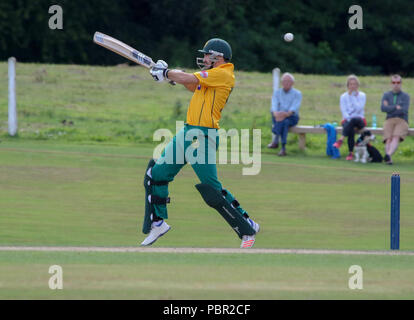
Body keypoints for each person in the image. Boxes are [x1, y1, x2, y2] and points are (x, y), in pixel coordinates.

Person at [141, 38, 260, 248]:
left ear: (218, 57)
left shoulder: (223, 73)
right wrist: (167, 74)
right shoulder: (210, 77)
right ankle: (157, 223)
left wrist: (168, 74)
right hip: (187, 132)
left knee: (211, 189)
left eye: (207, 54)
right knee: (156, 175)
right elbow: (189, 82)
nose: (204, 58)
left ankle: (247, 227)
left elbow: (188, 77)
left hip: (203, 137)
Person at [333, 75, 366, 160]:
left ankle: (341, 140)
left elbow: (359, 109)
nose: (352, 86)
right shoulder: (343, 96)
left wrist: (353, 96)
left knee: (354, 119)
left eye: (354, 84)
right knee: (350, 128)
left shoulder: (362, 95)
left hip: (360, 120)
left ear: (357, 85)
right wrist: (349, 120)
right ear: (348, 85)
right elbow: (344, 111)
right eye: (351, 84)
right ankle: (350, 153)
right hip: (347, 120)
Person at [267, 73, 302, 156]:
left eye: (288, 81)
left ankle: (276, 139)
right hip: (278, 117)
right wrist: (276, 114)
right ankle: (283, 148)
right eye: (284, 81)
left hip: (292, 117)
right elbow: (274, 105)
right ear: (282, 82)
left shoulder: (297, 93)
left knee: (285, 121)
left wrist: (284, 114)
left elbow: (294, 108)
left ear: (292, 83)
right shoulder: (277, 93)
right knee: (284, 122)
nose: (286, 83)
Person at [381, 74, 410, 165]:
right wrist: (395, 107)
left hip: (402, 120)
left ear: (401, 83)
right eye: (394, 82)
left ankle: (388, 155)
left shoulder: (406, 96)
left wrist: (389, 107)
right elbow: (383, 108)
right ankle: (388, 159)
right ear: (391, 83)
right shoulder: (386, 95)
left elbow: (404, 110)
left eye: (398, 82)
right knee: (388, 138)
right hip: (389, 119)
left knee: (396, 137)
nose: (396, 84)